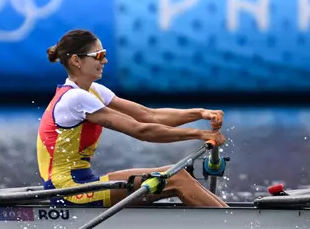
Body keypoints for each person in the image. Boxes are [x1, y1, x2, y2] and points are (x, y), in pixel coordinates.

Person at [38, 29, 228, 208]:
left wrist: (201, 113)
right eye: (99, 55)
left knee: (178, 175)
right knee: (177, 177)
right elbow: (141, 130)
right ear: (76, 61)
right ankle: (236, 226)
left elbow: (148, 115)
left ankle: (230, 219)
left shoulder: (94, 91)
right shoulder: (75, 98)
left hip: (83, 182)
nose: (105, 61)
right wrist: (199, 134)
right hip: (68, 190)